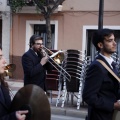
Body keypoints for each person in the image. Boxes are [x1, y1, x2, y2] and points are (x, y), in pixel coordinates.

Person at [82, 28, 120, 120]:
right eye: (110, 40)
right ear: (100, 45)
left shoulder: (112, 65)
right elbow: (88, 96)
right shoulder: (97, 67)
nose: (115, 43)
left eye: (114, 40)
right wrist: (113, 105)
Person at [0, 44, 28, 120]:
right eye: (0, 57)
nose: (5, 61)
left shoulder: (2, 84)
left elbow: (7, 110)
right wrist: (13, 117)